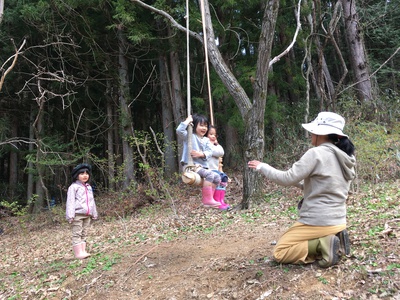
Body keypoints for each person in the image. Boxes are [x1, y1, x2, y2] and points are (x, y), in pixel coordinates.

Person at [248, 112, 356, 268]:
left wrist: (262, 167)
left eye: (312, 132)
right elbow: (322, 184)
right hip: (339, 220)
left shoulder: (316, 153)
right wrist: (296, 181)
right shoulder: (346, 156)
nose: (310, 134)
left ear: (320, 133)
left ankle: (323, 244)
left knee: (280, 251)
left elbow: (286, 178)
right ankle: (332, 237)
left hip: (318, 220)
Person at [176, 114, 226, 210]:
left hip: (201, 167)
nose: (204, 128)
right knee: (210, 175)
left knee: (217, 178)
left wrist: (201, 154)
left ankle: (210, 199)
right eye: (201, 125)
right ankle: (207, 199)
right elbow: (179, 130)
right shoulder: (189, 136)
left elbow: (210, 152)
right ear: (194, 126)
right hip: (191, 165)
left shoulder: (206, 140)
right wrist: (187, 121)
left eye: (206, 126)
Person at [66, 163, 98, 259]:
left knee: (84, 232)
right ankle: (78, 253)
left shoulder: (88, 187)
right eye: (82, 174)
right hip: (77, 214)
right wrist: (70, 215)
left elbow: (92, 201)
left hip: (87, 214)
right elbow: (70, 202)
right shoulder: (73, 187)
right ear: (76, 175)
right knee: (77, 233)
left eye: (86, 174)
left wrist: (94, 213)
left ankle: (83, 251)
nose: (85, 176)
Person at [207, 125, 230, 210]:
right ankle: (217, 201)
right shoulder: (207, 145)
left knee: (224, 178)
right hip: (208, 169)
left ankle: (221, 201)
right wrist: (215, 144)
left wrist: (216, 143)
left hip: (215, 169)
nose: (213, 136)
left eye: (215, 135)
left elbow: (221, 151)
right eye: (210, 134)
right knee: (219, 178)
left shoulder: (214, 145)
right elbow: (220, 153)